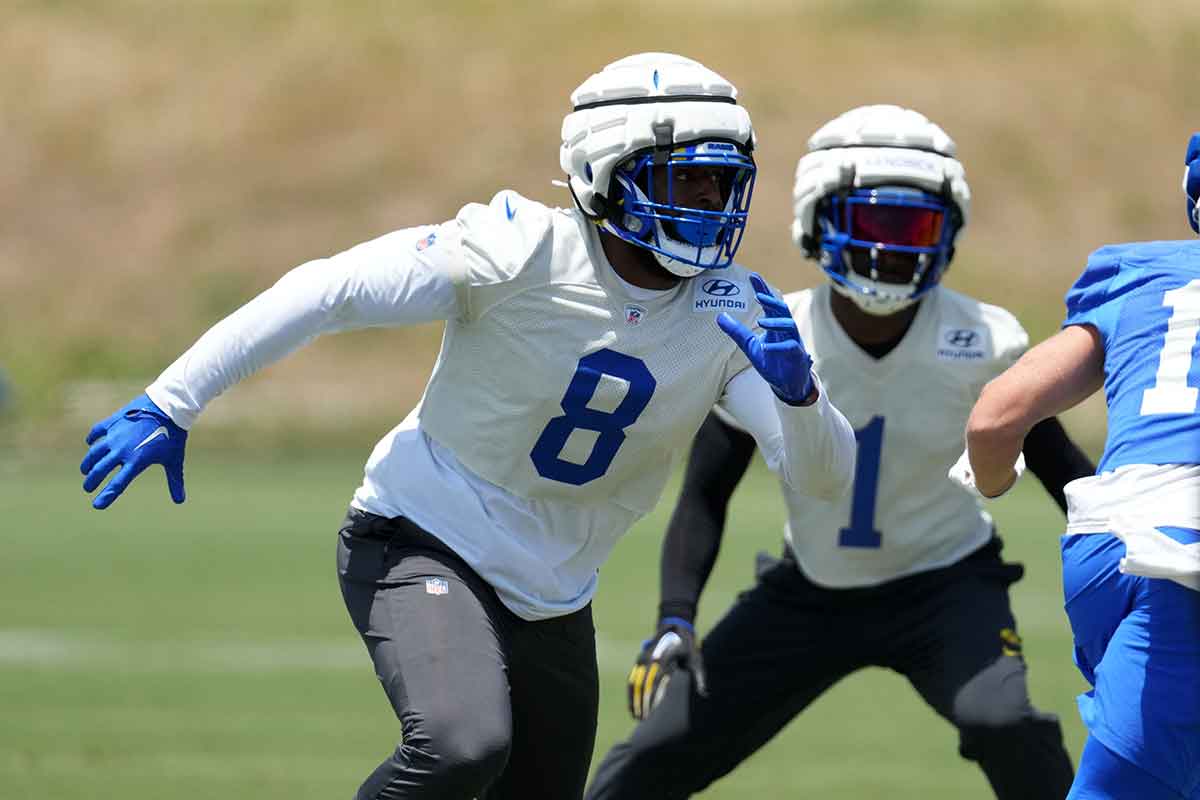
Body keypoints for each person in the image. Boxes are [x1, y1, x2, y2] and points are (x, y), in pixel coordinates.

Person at [78, 53, 857, 800]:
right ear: (606, 174)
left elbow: (822, 481)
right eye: (686, 179)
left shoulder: (736, 310)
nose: (709, 205)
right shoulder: (521, 250)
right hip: (421, 534)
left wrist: (802, 400)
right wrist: (172, 399)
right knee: (462, 743)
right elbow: (331, 289)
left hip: (554, 594)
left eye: (723, 183)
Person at [585, 104, 1094, 800]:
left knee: (1005, 721)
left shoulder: (985, 339)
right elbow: (707, 487)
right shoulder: (771, 331)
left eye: (915, 228)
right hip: (811, 591)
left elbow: (1063, 470)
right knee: (652, 757)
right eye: (873, 226)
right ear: (818, 223)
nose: (894, 251)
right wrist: (676, 615)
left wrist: (1133, 563)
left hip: (946, 585)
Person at [962, 133, 1200, 800]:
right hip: (1181, 558)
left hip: (1109, 543)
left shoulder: (1142, 270)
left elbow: (995, 416)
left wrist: (994, 482)